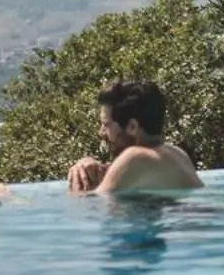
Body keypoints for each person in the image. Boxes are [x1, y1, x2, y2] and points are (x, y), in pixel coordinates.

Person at [67, 79, 203, 195]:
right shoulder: (177, 153)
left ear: (132, 126)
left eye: (106, 125)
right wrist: (87, 162)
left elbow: (95, 205)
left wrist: (82, 184)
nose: (101, 132)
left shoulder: (134, 157)